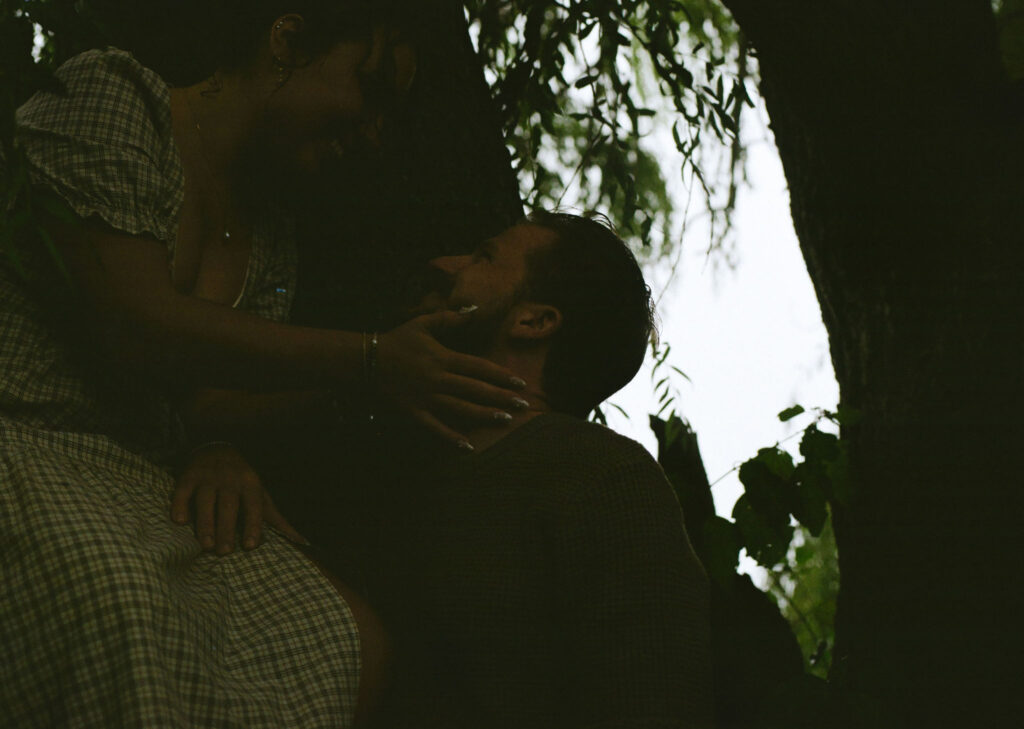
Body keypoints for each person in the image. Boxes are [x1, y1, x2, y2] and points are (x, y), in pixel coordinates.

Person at [0, 3, 528, 726]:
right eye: (368, 89)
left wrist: (229, 444)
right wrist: (371, 359)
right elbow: (135, 325)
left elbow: (200, 397)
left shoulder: (271, 235)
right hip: (29, 436)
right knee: (121, 598)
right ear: (289, 38)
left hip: (141, 478)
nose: (371, 132)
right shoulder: (116, 98)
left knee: (349, 638)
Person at [264, 212, 716, 728]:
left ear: (534, 322)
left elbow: (657, 698)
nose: (443, 264)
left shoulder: (604, 479)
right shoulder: (384, 453)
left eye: (483, 257)